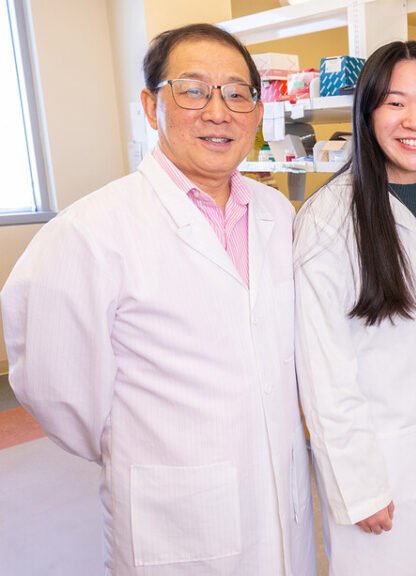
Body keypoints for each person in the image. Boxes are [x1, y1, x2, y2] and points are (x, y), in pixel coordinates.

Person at [0, 24, 314, 575]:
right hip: (175, 515)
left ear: (257, 111)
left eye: (237, 93)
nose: (219, 111)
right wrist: (134, 440)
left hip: (281, 499)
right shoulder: (90, 231)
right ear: (151, 106)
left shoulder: (278, 215)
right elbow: (56, 389)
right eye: (193, 90)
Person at [292, 41, 416, 575]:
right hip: (385, 473)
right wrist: (360, 484)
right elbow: (323, 372)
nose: (414, 120)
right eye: (395, 103)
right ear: (368, 112)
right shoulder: (328, 220)